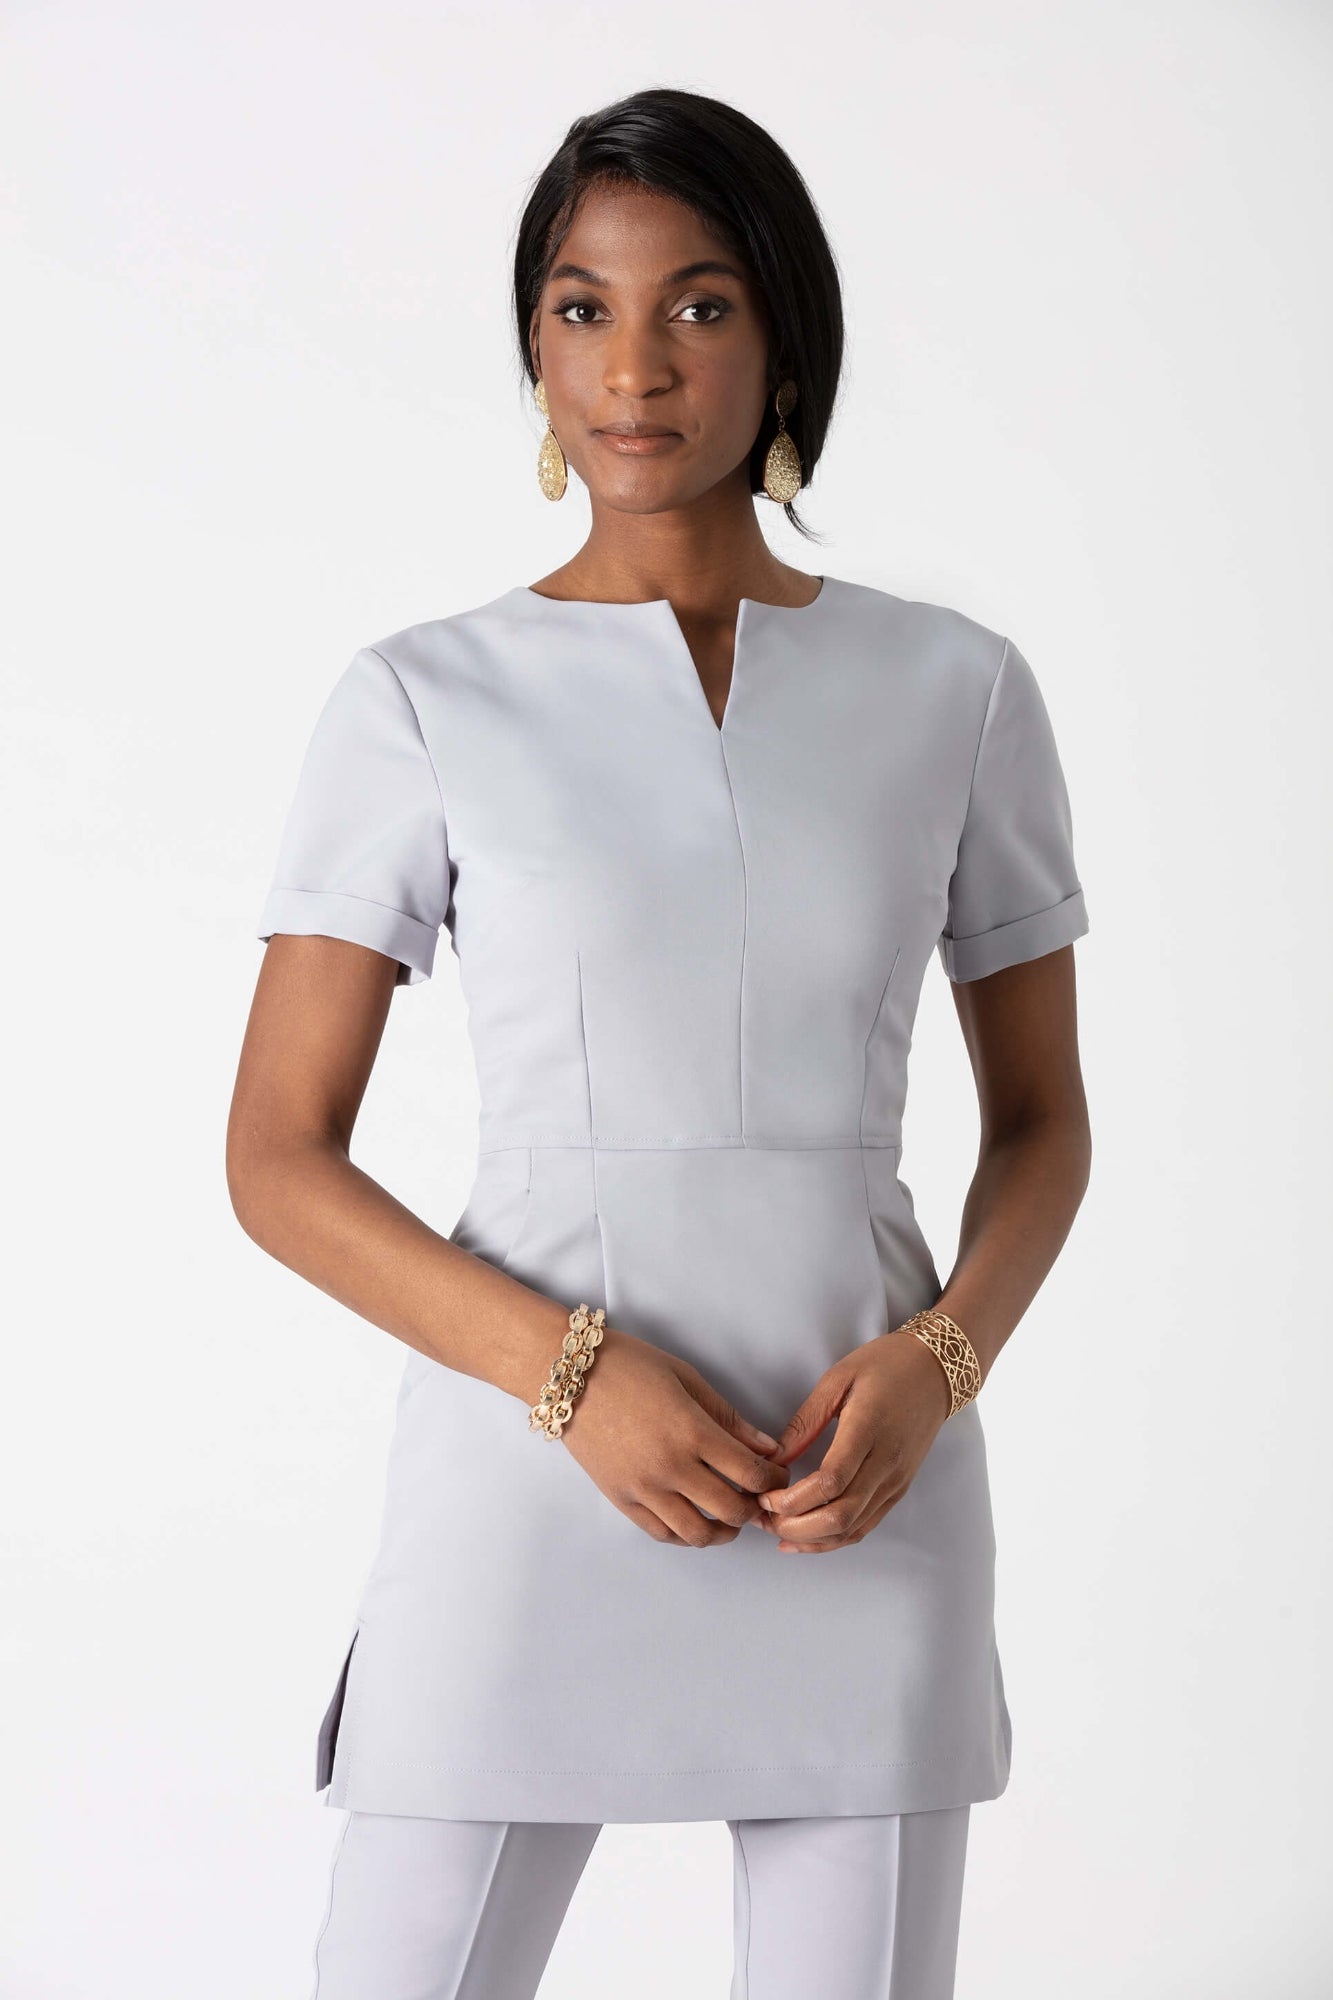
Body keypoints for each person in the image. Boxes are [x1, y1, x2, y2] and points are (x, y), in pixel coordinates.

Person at [227, 85, 1092, 2000]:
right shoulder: (421, 698)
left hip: (853, 1485)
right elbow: (275, 1156)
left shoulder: (952, 689)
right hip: (526, 1474)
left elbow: (1040, 1123)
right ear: (533, 349)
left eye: (697, 306)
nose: (632, 367)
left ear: (783, 337)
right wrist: (567, 1380)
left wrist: (941, 1366)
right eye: (580, 308)